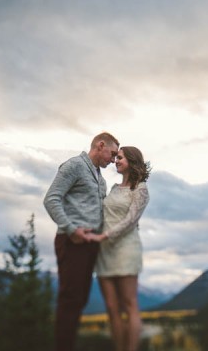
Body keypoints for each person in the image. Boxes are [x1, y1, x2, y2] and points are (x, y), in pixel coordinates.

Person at [44, 132, 120, 351]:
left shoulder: (101, 180)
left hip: (91, 244)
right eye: (112, 154)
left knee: (79, 300)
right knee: (70, 300)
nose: (113, 160)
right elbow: (51, 198)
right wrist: (70, 229)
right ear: (100, 145)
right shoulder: (74, 165)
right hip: (72, 242)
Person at [86, 146, 151, 351]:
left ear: (132, 161)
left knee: (129, 304)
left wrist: (105, 235)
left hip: (125, 249)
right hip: (104, 251)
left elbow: (131, 221)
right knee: (112, 308)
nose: (116, 160)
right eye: (116, 157)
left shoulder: (140, 189)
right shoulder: (113, 188)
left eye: (120, 157)